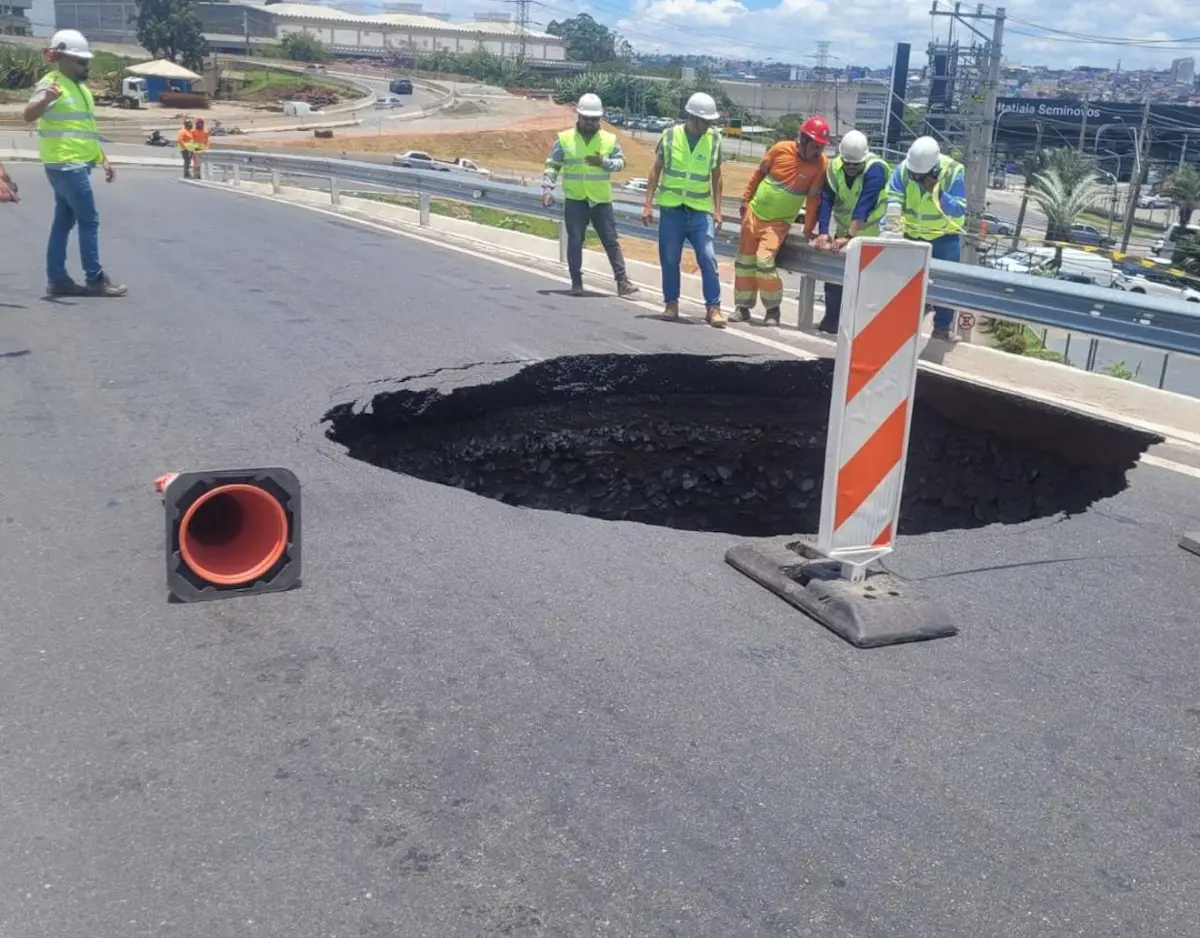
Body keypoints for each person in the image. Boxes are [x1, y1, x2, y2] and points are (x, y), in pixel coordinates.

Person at [22, 28, 125, 298]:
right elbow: (28, 114)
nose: (85, 66)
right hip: (66, 164)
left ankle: (57, 280)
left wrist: (103, 158)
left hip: (74, 163)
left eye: (87, 61)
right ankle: (95, 279)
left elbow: (85, 129)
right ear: (62, 58)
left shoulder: (79, 89)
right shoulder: (51, 83)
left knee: (63, 222)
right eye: (81, 61)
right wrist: (45, 100)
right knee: (89, 221)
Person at [731, 115, 830, 326]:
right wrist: (745, 200)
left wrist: (808, 229)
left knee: (764, 262)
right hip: (754, 213)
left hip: (778, 223)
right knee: (745, 264)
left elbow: (813, 201)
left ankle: (773, 311)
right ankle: (742, 308)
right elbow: (758, 175)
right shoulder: (780, 149)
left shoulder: (820, 165)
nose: (818, 152)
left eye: (821, 148)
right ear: (803, 140)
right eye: (815, 147)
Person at [542, 93, 638, 298]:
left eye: (594, 119)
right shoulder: (566, 138)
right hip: (576, 199)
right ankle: (576, 282)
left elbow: (622, 163)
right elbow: (553, 164)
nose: (590, 122)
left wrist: (604, 162)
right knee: (575, 241)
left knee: (611, 241)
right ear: (579, 116)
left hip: (600, 201)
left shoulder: (609, 139)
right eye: (587, 119)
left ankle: (622, 282)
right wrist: (547, 189)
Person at [641, 92, 725, 327]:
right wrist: (647, 204)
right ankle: (671, 304)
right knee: (669, 258)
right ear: (692, 117)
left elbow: (717, 177)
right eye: (704, 121)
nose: (707, 126)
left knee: (708, 257)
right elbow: (655, 170)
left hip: (700, 211)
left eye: (710, 122)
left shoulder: (714, 139)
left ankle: (714, 308)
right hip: (672, 210)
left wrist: (717, 210)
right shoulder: (669, 136)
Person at [887, 135, 965, 340]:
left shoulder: (952, 171)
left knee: (945, 284)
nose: (917, 180)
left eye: (921, 177)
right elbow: (893, 197)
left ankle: (942, 328)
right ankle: (907, 328)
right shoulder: (905, 169)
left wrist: (938, 193)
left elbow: (958, 208)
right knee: (909, 284)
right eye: (915, 176)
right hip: (913, 236)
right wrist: (890, 228)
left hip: (944, 237)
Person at [812, 130, 890, 333]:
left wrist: (849, 236)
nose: (851, 168)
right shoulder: (834, 167)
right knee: (835, 279)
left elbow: (865, 204)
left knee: (866, 285)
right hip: (843, 231)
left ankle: (863, 328)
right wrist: (823, 232)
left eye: (856, 164)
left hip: (870, 234)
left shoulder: (876, 169)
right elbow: (826, 200)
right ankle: (831, 322)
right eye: (848, 163)